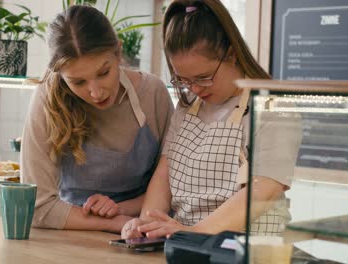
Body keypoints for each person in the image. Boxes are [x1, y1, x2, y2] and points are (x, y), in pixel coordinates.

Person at [121, 0, 302, 239]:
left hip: (249, 249)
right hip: (187, 245)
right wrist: (146, 225)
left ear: (232, 54)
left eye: (204, 77)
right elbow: (164, 176)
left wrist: (194, 233)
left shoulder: (273, 108)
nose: (194, 89)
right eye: (184, 80)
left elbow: (262, 192)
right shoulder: (187, 109)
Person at [21, 5, 174, 232]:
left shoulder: (153, 94)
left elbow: (174, 185)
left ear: (118, 53)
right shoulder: (46, 99)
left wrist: (121, 210)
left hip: (142, 230)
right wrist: (116, 223)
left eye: (104, 73)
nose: (96, 92)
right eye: (78, 82)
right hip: (70, 235)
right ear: (60, 75)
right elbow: (36, 205)